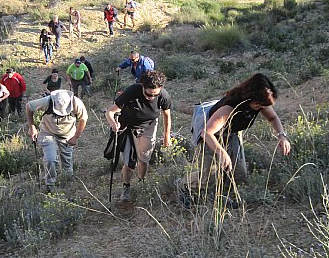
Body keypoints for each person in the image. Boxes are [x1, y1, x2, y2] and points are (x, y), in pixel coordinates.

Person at [179, 73, 291, 208]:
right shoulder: (230, 107)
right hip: (210, 133)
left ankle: (225, 198)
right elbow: (207, 133)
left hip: (231, 132)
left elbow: (273, 118)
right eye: (259, 105)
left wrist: (282, 136)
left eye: (264, 106)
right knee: (208, 178)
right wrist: (222, 152)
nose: (262, 108)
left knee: (239, 173)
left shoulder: (260, 103)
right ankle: (183, 185)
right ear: (251, 98)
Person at [105, 70, 171, 202]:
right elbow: (110, 112)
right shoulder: (132, 91)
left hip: (149, 127)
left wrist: (166, 136)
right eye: (148, 94)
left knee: (144, 159)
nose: (151, 97)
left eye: (155, 94)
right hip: (129, 127)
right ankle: (126, 186)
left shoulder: (163, 95)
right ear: (142, 87)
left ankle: (141, 180)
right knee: (129, 161)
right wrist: (113, 124)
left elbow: (167, 115)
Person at [26, 89, 88, 188]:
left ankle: (67, 184)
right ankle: (50, 184)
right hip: (47, 132)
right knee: (50, 159)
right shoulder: (47, 101)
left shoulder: (77, 103)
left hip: (67, 134)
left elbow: (83, 120)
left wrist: (76, 137)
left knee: (67, 162)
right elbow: (29, 107)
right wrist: (32, 127)